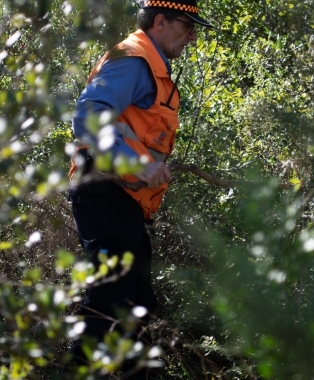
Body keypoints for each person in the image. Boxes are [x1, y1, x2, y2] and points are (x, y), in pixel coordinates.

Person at [66, 0, 213, 377]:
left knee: (137, 305)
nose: (192, 35)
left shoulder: (150, 66)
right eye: (187, 24)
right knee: (109, 299)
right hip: (106, 191)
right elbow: (87, 117)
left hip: (123, 200)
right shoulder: (134, 60)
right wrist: (138, 164)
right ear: (161, 21)